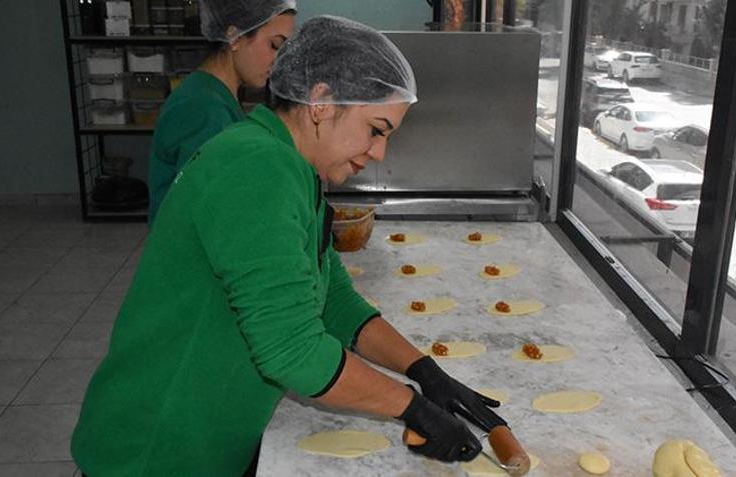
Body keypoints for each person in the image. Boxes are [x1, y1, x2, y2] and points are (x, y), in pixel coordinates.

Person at [72, 16, 507, 476]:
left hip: (208, 436)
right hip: (158, 447)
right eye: (376, 130)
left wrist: (421, 369)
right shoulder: (256, 169)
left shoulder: (291, 169)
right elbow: (292, 349)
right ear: (320, 102)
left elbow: (334, 302)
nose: (379, 153)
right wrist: (411, 408)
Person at [146, 0, 296, 224]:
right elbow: (211, 210)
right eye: (274, 45)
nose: (278, 60)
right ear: (235, 37)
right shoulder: (202, 108)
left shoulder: (217, 95)